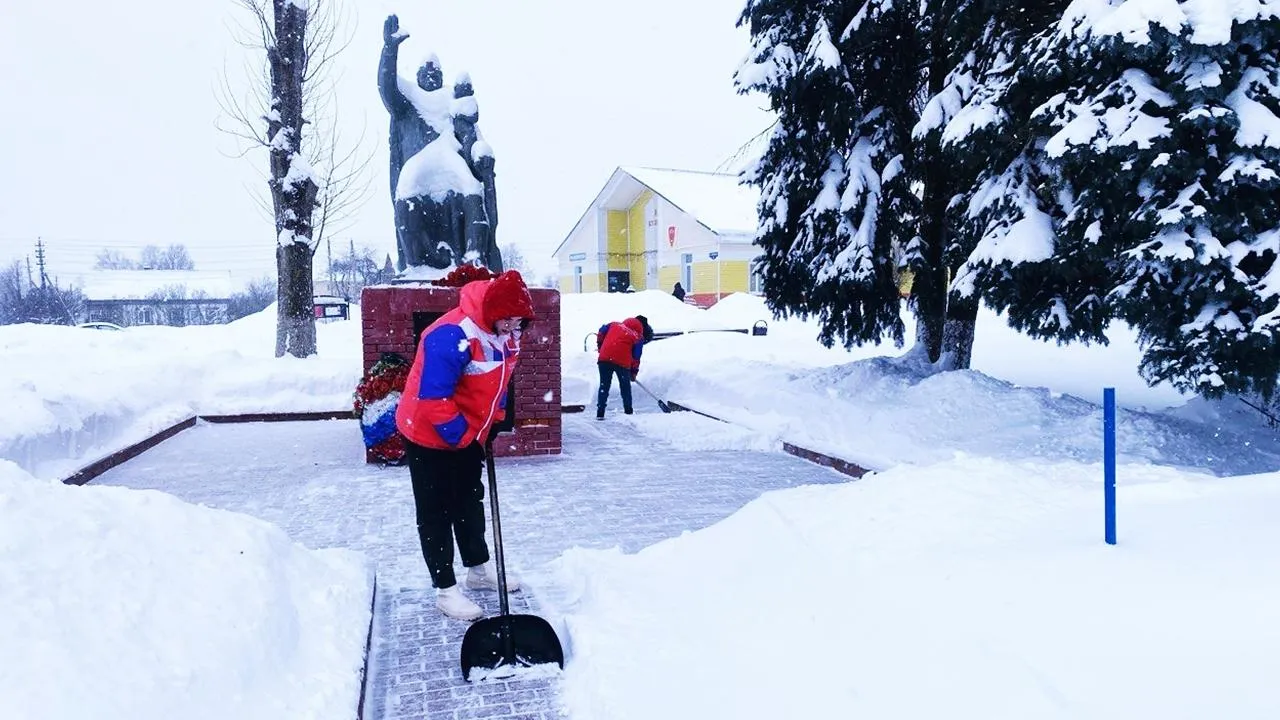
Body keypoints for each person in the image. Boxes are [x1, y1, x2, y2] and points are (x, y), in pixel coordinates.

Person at [394, 269, 536, 621]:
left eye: (519, 322)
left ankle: (477, 569)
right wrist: (462, 438)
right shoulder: (450, 335)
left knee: (469, 502)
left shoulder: (506, 334)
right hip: (428, 434)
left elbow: (499, 381)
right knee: (436, 511)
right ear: (493, 312)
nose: (513, 329)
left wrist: (493, 421)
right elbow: (433, 399)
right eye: (508, 320)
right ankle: (445, 590)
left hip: (466, 434)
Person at [596, 315, 652, 419]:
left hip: (604, 359)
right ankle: (628, 412)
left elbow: (601, 331)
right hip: (622, 363)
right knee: (625, 387)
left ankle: (600, 413)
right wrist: (633, 372)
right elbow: (636, 357)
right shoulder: (637, 336)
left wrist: (600, 346)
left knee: (604, 385)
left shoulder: (613, 324)